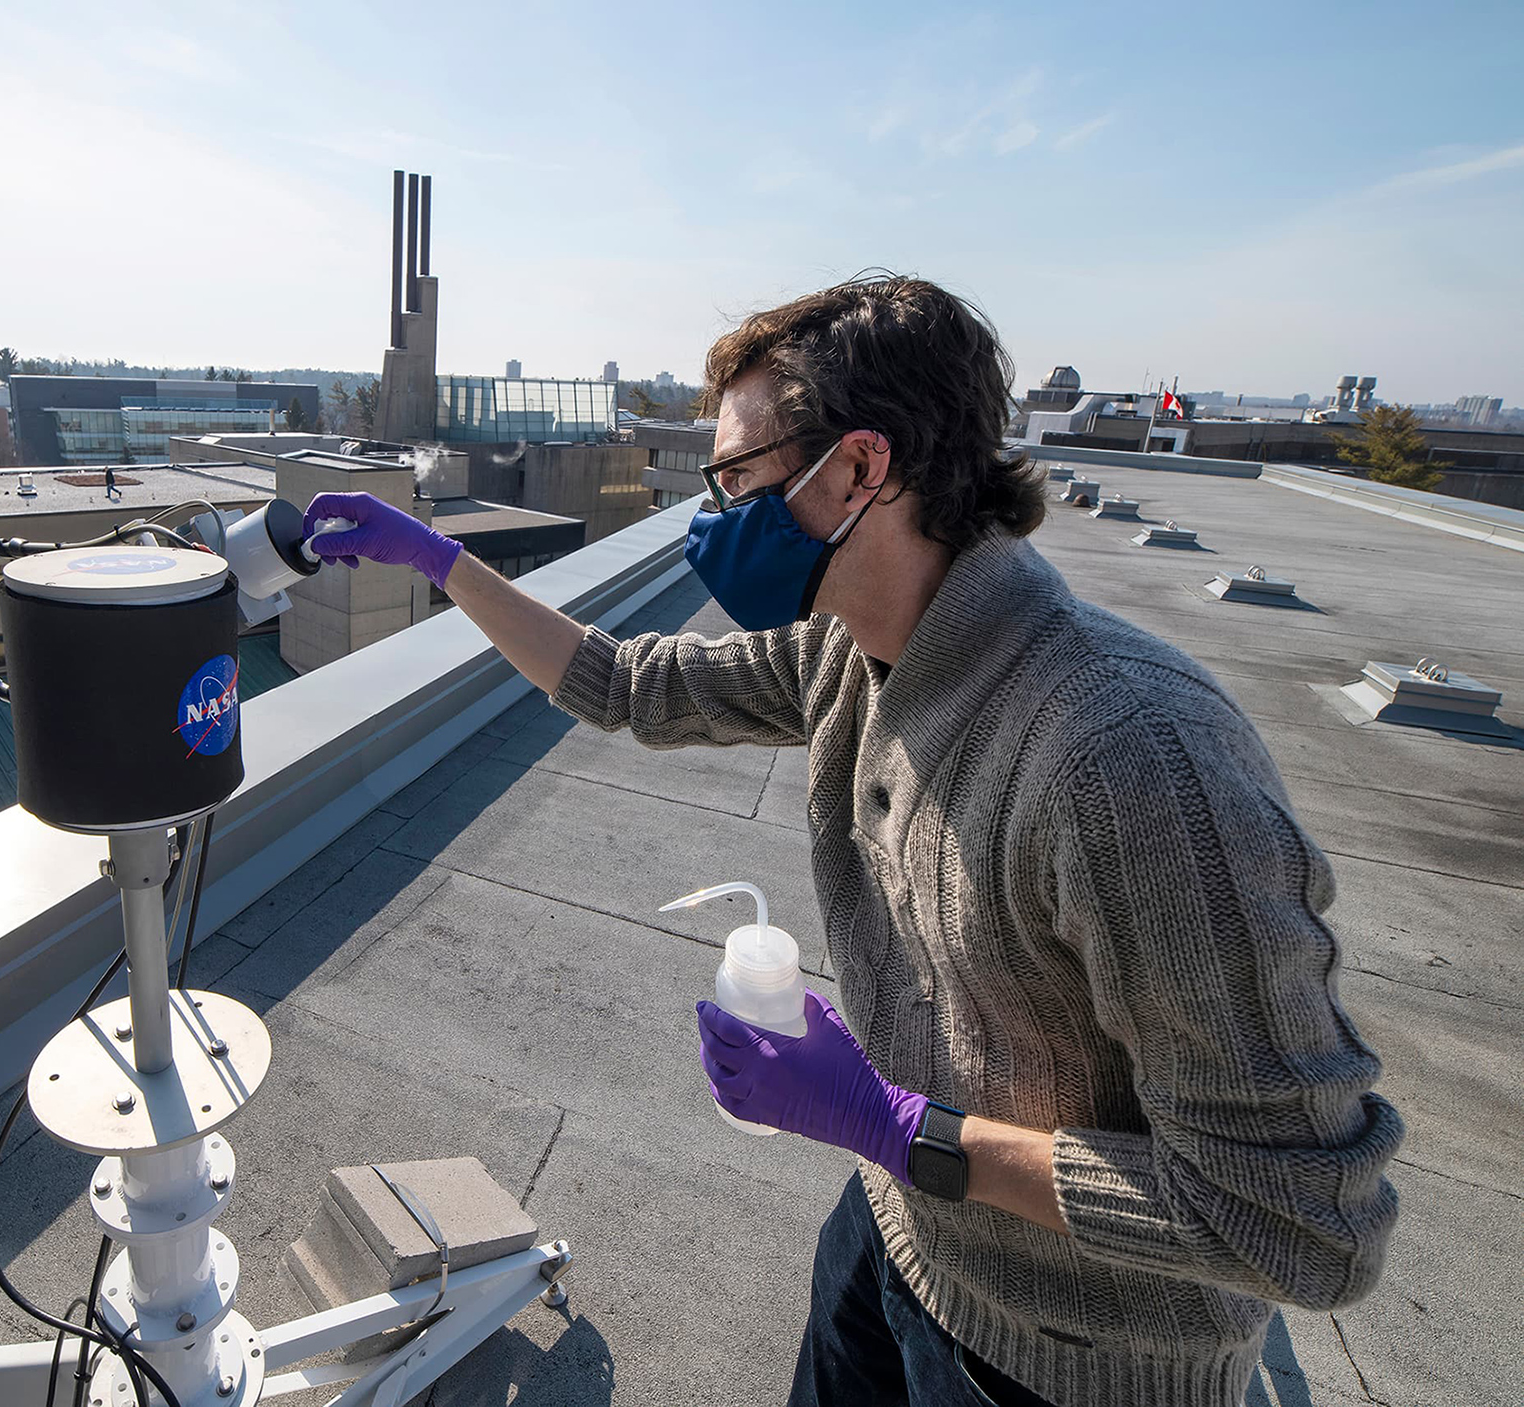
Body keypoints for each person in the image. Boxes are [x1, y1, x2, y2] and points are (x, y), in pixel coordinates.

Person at [301, 273, 1401, 1407]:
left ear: (859, 470)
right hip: (898, 1231)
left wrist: (900, 1124)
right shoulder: (852, 649)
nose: (710, 510)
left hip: (1062, 1361)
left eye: (733, 475)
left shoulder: (1127, 760)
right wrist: (442, 562)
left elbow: (1301, 1224)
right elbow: (624, 683)